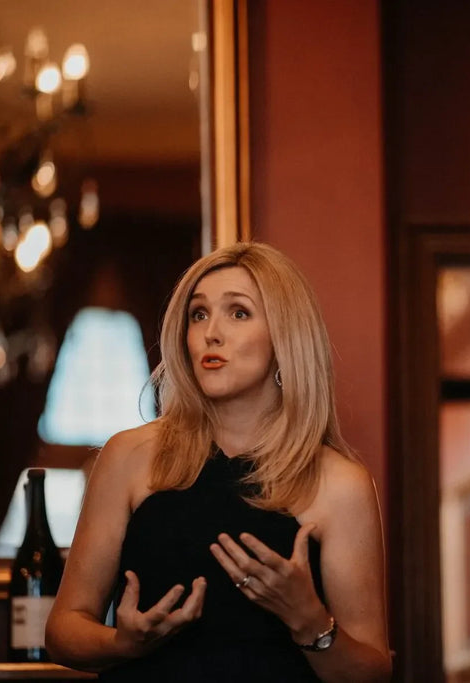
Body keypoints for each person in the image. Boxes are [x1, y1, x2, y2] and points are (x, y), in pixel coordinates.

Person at [45, 242, 392, 682]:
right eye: (199, 314)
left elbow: (373, 674)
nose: (211, 333)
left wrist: (309, 619)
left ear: (285, 337)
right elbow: (62, 631)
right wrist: (122, 643)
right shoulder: (128, 456)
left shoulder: (340, 484)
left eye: (239, 313)